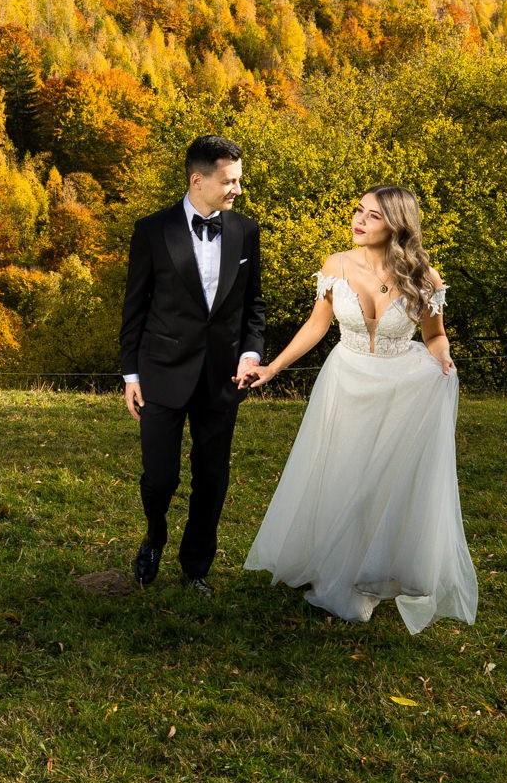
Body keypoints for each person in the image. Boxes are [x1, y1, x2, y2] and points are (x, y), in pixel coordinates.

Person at [239, 185, 477, 631]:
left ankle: (366, 578)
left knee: (377, 485)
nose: (360, 221)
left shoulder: (426, 277)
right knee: (340, 474)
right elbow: (317, 325)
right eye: (358, 211)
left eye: (373, 216)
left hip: (399, 387)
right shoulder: (337, 264)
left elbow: (433, 336)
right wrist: (272, 367)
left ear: (397, 225)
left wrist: (442, 356)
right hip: (345, 381)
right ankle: (333, 567)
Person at [117, 135, 266, 594]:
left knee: (212, 477)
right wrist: (130, 375)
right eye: (229, 180)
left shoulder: (246, 230)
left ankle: (195, 566)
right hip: (161, 370)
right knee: (159, 476)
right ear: (197, 179)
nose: (237, 189)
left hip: (223, 377)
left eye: (238, 180)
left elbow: (253, 305)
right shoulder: (152, 230)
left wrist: (250, 352)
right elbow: (134, 308)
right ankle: (155, 535)